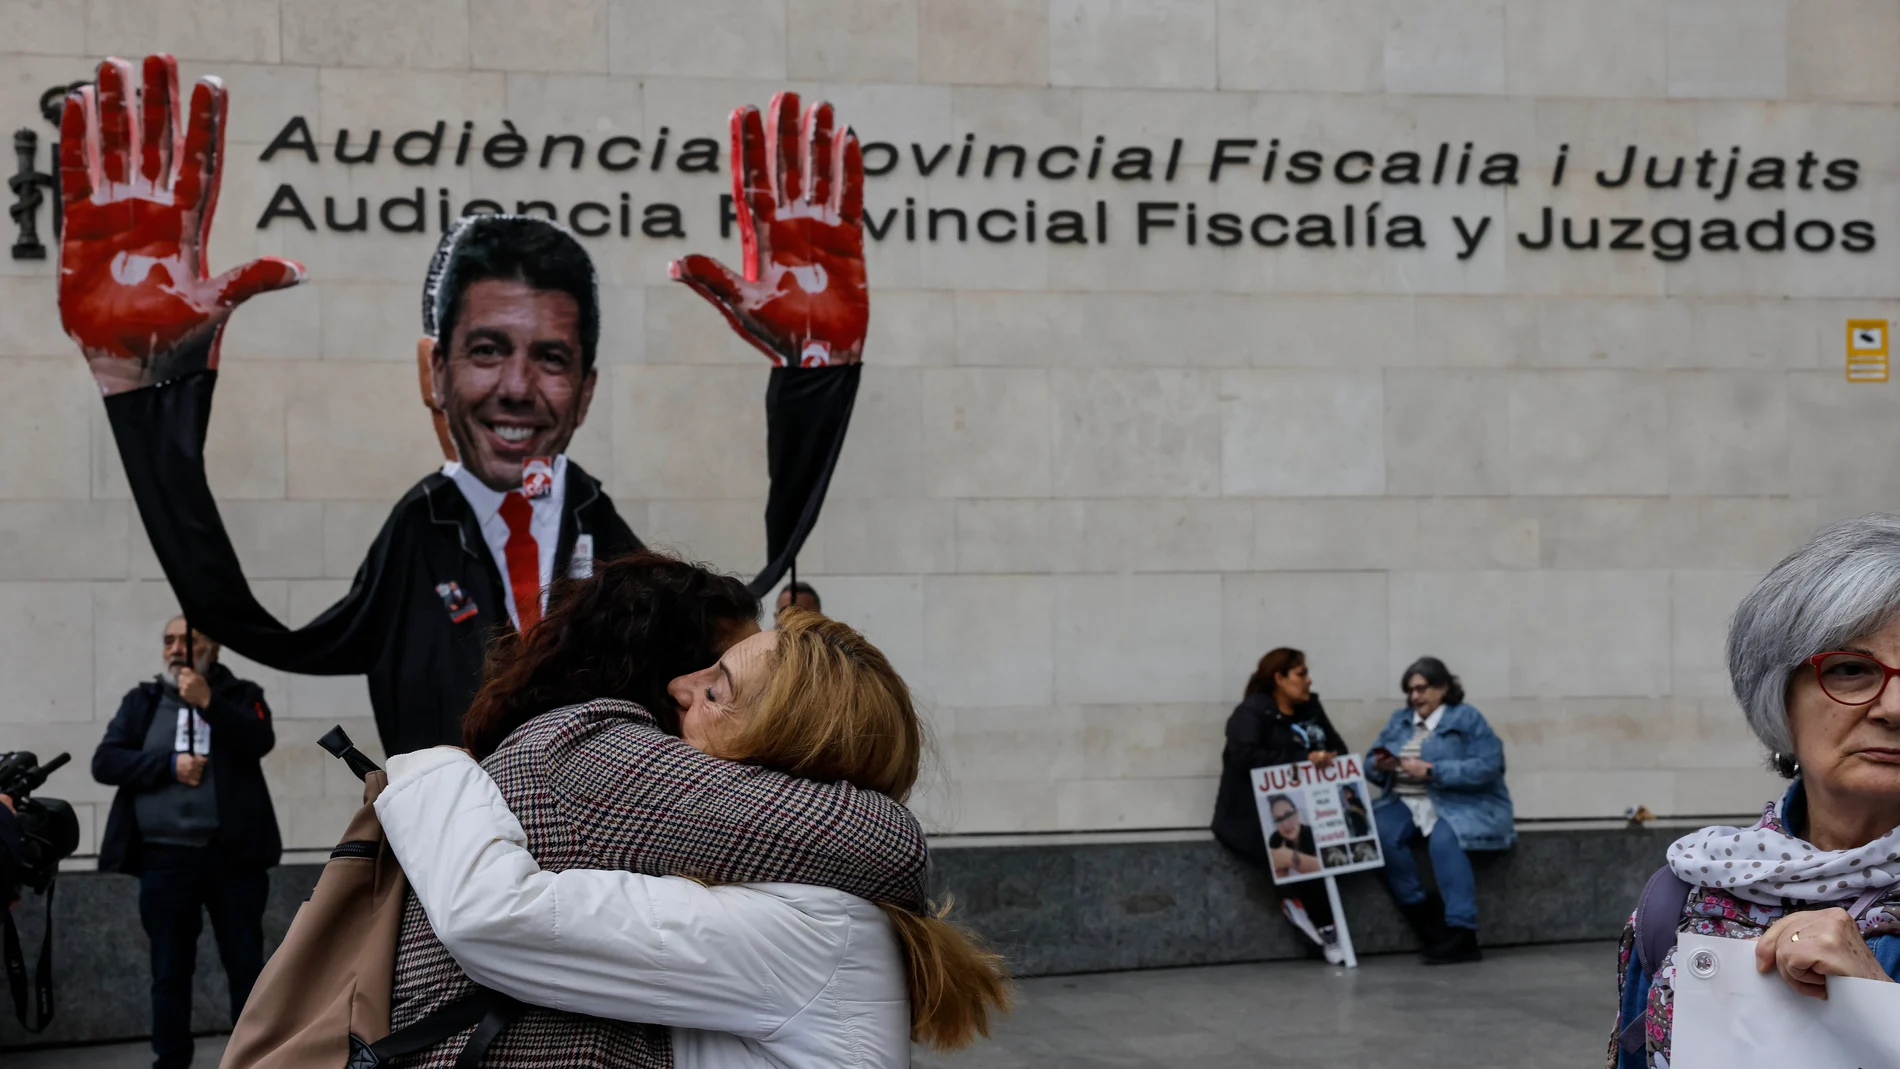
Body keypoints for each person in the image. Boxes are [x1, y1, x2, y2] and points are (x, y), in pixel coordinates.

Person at [58, 54, 647, 755]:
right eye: (487, 350)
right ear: (435, 371)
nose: (517, 387)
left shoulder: (618, 548)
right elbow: (261, 626)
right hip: (447, 859)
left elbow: (743, 623)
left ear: (587, 389)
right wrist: (147, 398)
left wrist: (813, 380)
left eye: (551, 358)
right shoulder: (419, 530)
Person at [384, 552, 991, 1068]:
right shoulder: (810, 907)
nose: (680, 688)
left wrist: (433, 769)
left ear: (778, 747)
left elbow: (494, 915)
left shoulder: (807, 929)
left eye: (716, 690)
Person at [1610, 515, 1900, 1069]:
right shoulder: (1685, 894)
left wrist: (1875, 1004)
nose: (1894, 708)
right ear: (1778, 697)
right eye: (1850, 670)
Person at [91, 616, 279, 1069]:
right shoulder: (144, 700)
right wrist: (169, 766)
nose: (176, 648)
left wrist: (209, 701)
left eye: (187, 640)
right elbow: (106, 762)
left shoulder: (242, 695)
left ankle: (250, 1060)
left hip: (232, 860)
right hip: (165, 859)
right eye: (168, 640)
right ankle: (170, 1062)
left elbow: (259, 740)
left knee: (246, 968)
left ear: (212, 649)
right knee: (170, 972)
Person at [1366, 656, 1514, 965]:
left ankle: (1462, 933)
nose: (1415, 696)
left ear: (1443, 687)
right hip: (1404, 801)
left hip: (1459, 803)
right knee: (1377, 830)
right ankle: (1424, 916)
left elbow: (1489, 765)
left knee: (1446, 839)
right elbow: (1369, 761)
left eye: (1422, 688)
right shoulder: (1400, 719)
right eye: (1410, 690)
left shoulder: (1467, 718)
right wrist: (1380, 765)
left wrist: (1433, 770)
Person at [1211, 648, 1351, 962]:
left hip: (1305, 810)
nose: (1308, 680)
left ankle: (1301, 905)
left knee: (1320, 847)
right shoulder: (1252, 713)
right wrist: (1302, 760)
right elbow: (1245, 758)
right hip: (1248, 816)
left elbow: (1337, 747)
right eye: (1301, 674)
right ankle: (1320, 922)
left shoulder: (1311, 710)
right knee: (1296, 853)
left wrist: (1328, 757)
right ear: (1279, 678)